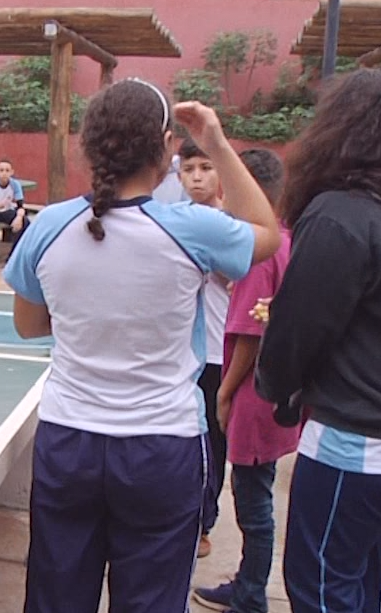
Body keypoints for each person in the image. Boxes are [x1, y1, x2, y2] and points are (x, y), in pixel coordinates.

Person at [3, 79, 281, 613]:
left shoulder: (48, 226)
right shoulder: (195, 228)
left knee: (56, 596)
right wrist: (218, 144)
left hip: (69, 443)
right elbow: (264, 229)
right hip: (162, 449)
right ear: (165, 147)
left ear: (89, 144)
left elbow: (29, 325)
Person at [255, 68, 381, 613]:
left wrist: (278, 387)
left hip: (352, 442)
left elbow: (298, 329)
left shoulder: (343, 214)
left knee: (324, 587)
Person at [192, 148, 299, 613]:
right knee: (257, 491)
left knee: (253, 501)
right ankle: (248, 581)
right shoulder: (289, 239)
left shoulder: (257, 253)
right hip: (277, 393)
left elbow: (249, 335)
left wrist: (226, 391)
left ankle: (251, 591)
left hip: (254, 394)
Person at [177, 138, 230, 558]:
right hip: (181, 353)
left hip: (220, 354)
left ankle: (203, 523)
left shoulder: (234, 228)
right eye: (189, 168)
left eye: (206, 167)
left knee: (212, 443)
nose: (197, 176)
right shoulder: (172, 222)